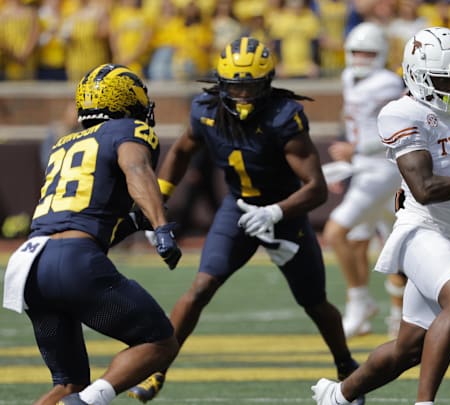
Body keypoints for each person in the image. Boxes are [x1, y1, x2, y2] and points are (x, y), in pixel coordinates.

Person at [128, 37, 364, 403]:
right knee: (200, 289)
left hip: (284, 214)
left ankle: (346, 366)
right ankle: (157, 366)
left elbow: (316, 188)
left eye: (249, 86)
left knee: (314, 302)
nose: (241, 95)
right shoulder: (205, 109)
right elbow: (181, 152)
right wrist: (158, 201)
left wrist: (276, 212)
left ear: (266, 83)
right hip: (237, 210)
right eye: (234, 85)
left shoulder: (283, 116)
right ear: (221, 84)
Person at [311, 26, 450, 405]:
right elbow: (425, 189)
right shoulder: (402, 112)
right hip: (422, 228)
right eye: (443, 80)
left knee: (408, 349)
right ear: (416, 76)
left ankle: (339, 395)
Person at [2, 63, 182, 405]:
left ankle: (78, 398)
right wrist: (160, 225)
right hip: (73, 260)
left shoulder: (64, 143)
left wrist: (131, 223)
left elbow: (79, 218)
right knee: (160, 342)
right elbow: (136, 168)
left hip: (29, 264)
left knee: (67, 383)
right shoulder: (127, 130)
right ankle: (88, 402)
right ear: (125, 101)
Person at [322, 21, 405, 338]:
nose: (361, 58)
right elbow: (355, 123)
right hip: (363, 168)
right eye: (356, 51)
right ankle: (389, 314)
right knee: (370, 241)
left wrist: (356, 148)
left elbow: (394, 131)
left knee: (336, 230)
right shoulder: (348, 78)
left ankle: (360, 302)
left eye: (368, 52)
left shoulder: (386, 83)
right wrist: (348, 160)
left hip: (384, 169)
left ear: (381, 53)